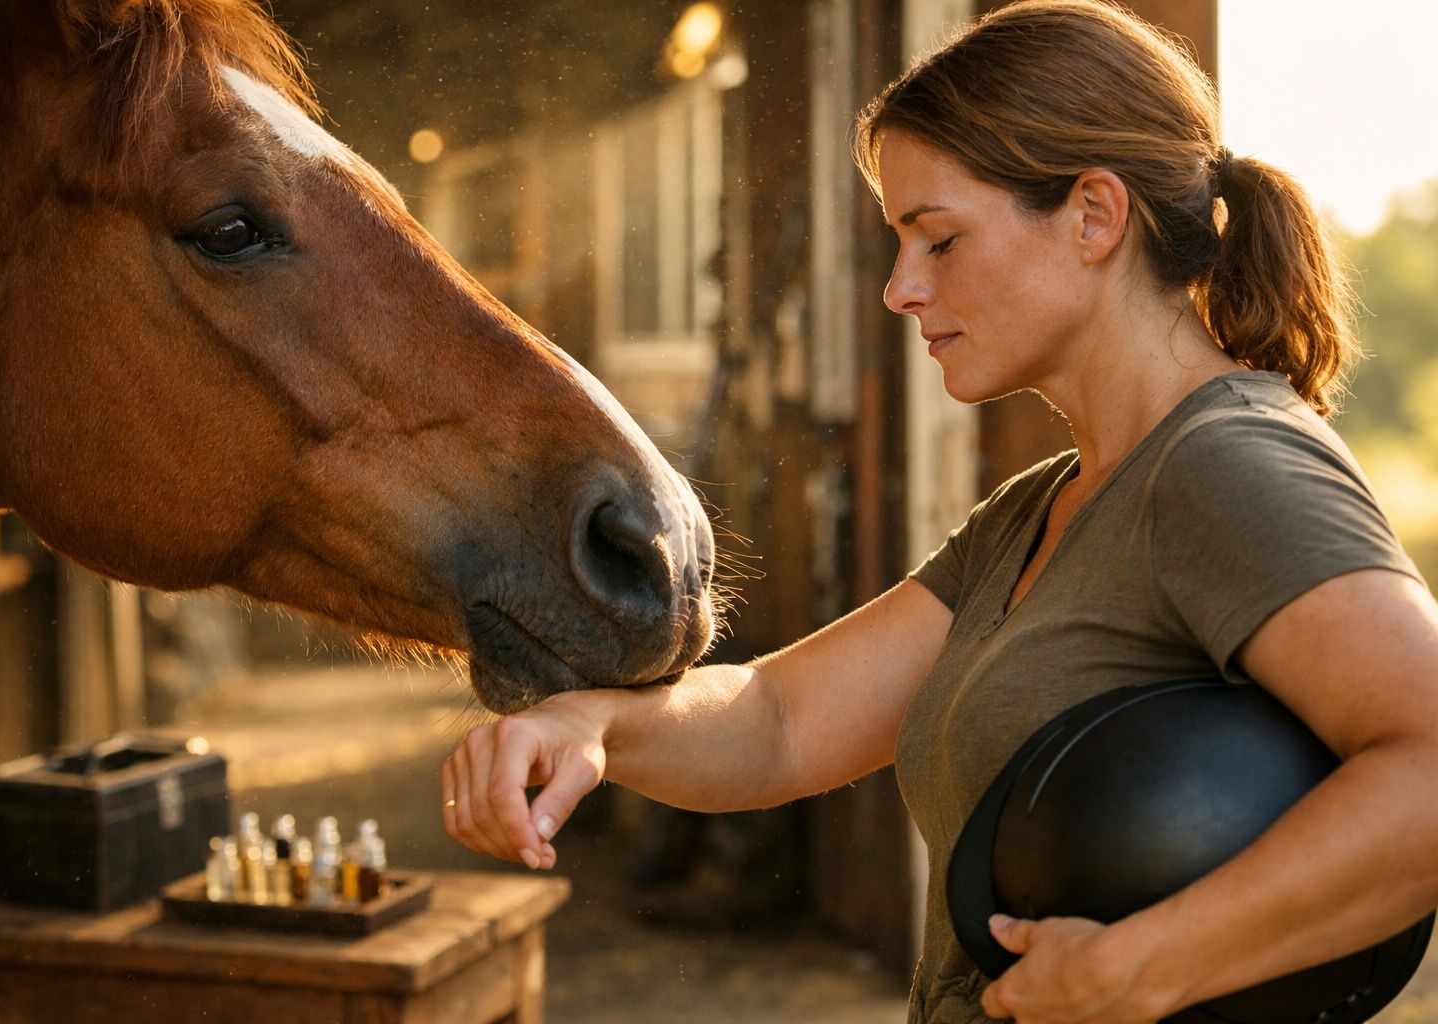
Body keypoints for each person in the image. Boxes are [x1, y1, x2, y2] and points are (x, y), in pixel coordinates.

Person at [440, 1, 1438, 1021]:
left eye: (940, 239)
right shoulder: (1039, 510)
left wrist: (1145, 964)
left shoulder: (1228, 466)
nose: (899, 289)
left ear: (1094, 215)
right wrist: (591, 722)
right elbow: (780, 722)